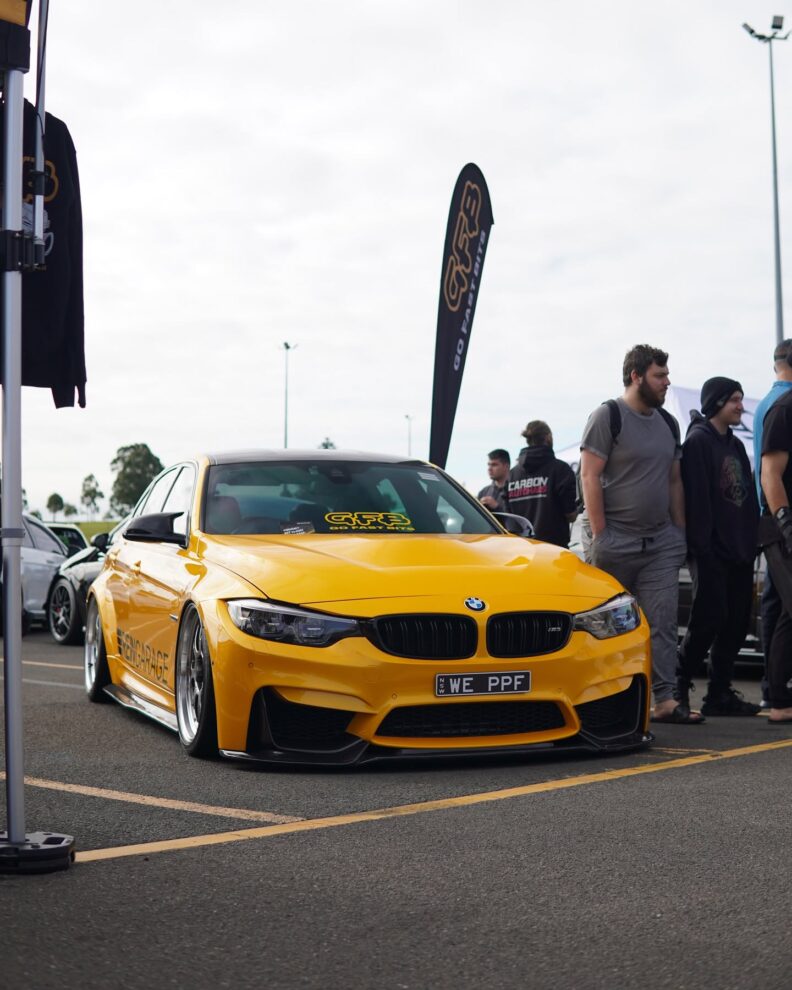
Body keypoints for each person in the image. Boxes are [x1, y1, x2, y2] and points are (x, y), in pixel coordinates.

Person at [579, 344, 693, 723]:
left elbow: (674, 481)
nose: (667, 382)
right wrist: (601, 535)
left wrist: (679, 533)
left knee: (662, 623)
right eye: (660, 375)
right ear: (636, 376)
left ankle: (665, 700)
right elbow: (589, 476)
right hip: (615, 541)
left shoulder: (668, 423)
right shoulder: (608, 416)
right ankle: (603, 703)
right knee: (608, 626)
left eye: (667, 374)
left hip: (659, 543)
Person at [676, 378, 760, 716]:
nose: (740, 406)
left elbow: (746, 497)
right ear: (717, 403)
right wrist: (702, 549)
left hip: (740, 550)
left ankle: (719, 694)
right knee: (708, 620)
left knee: (736, 623)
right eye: (734, 400)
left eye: (741, 399)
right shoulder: (697, 442)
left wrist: (751, 541)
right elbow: (696, 500)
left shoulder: (735, 445)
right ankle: (679, 687)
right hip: (710, 551)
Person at [752, 338, 792, 708]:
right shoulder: (781, 406)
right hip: (778, 521)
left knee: (779, 608)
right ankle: (776, 697)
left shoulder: (771, 402)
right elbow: (769, 474)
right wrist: (785, 524)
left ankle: (776, 694)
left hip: (773, 521)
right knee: (782, 609)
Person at [506, 420, 577, 546]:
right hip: (553, 548)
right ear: (548, 437)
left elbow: (507, 516)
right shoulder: (560, 469)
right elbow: (570, 514)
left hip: (521, 548)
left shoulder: (511, 475)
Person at [477, 449, 510, 513]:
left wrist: (496, 507)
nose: (489, 469)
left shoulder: (515, 491)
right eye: (488, 465)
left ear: (506, 466)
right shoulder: (483, 492)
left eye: (494, 465)